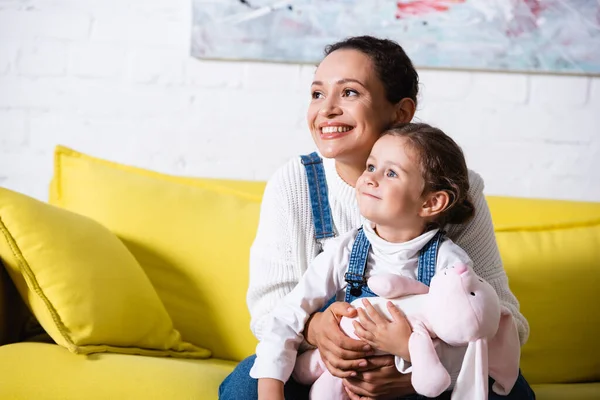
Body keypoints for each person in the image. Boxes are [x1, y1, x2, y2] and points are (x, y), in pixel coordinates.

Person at [219, 36, 534, 400]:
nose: (328, 109)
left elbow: (503, 319)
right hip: (327, 368)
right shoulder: (295, 184)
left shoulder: (454, 186)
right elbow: (269, 313)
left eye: (350, 93)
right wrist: (318, 329)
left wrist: (416, 364)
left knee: (508, 392)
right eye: (317, 94)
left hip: (428, 370)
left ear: (401, 112)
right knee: (246, 384)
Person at [251, 122, 488, 400]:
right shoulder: (346, 250)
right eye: (371, 167)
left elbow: (473, 339)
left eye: (391, 173)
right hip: (341, 382)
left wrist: (408, 349)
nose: (370, 179)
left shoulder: (450, 265)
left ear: (431, 203)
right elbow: (288, 314)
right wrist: (270, 389)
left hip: (415, 386)